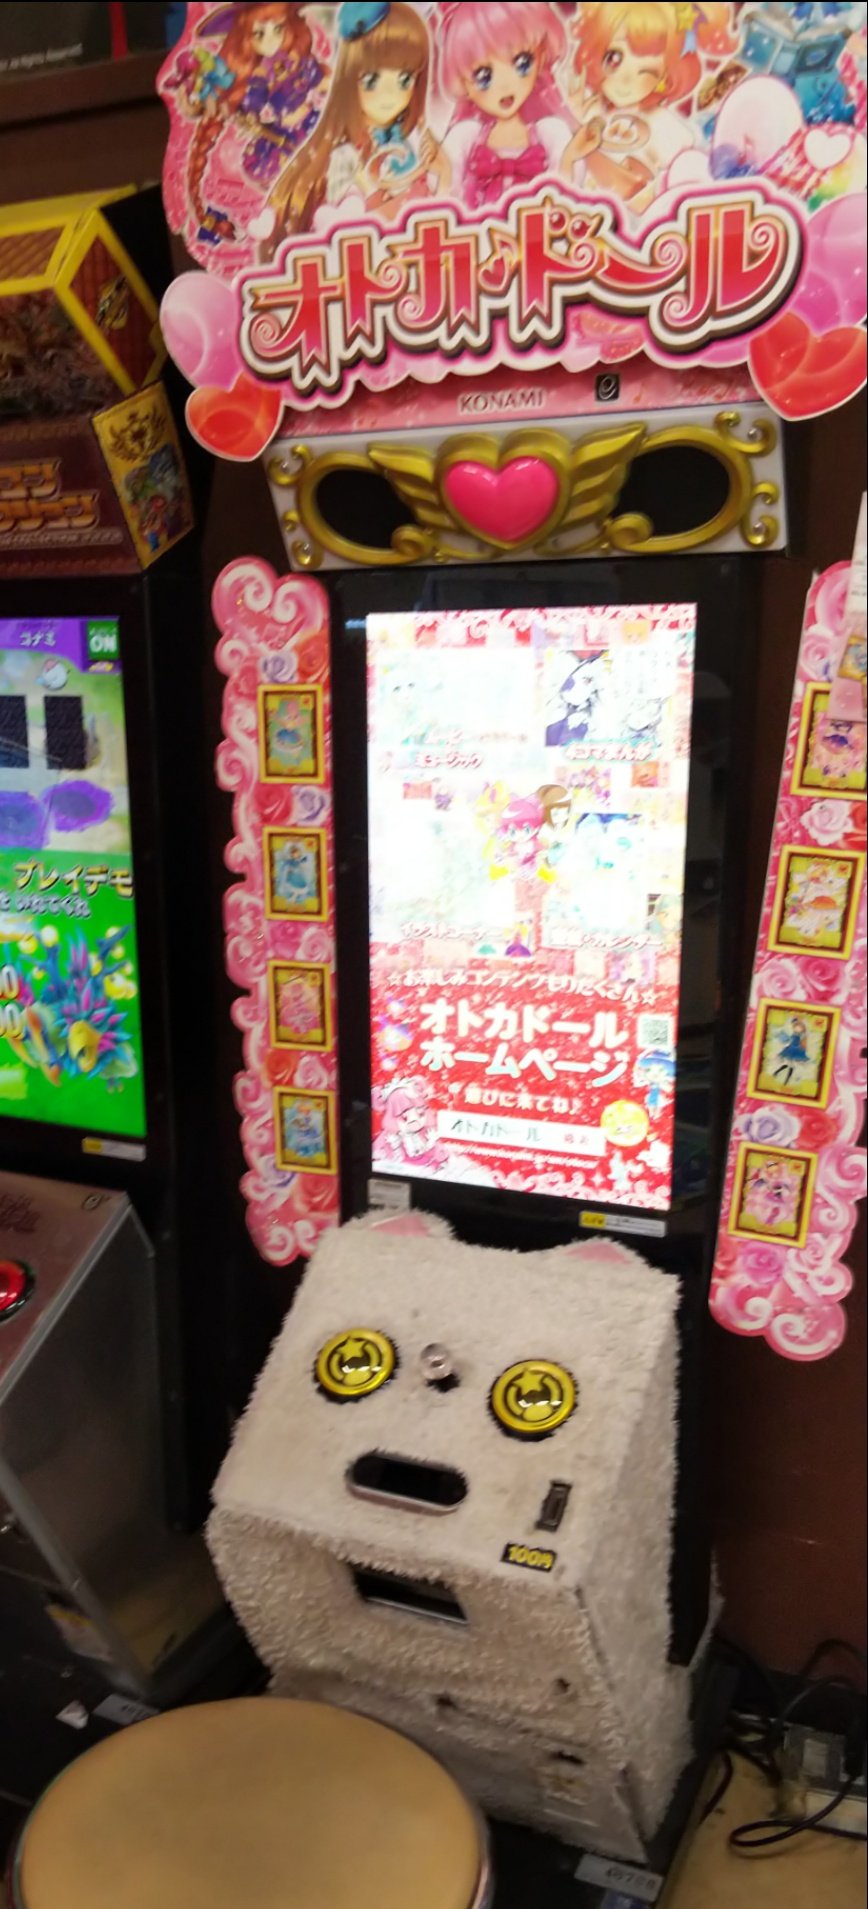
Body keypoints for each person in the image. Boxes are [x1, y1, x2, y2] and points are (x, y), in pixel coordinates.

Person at [262, 1, 437, 247]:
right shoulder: (345, 155)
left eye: (404, 79)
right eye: (371, 80)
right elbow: (344, 219)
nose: (389, 95)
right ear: (349, 76)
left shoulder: (412, 140)